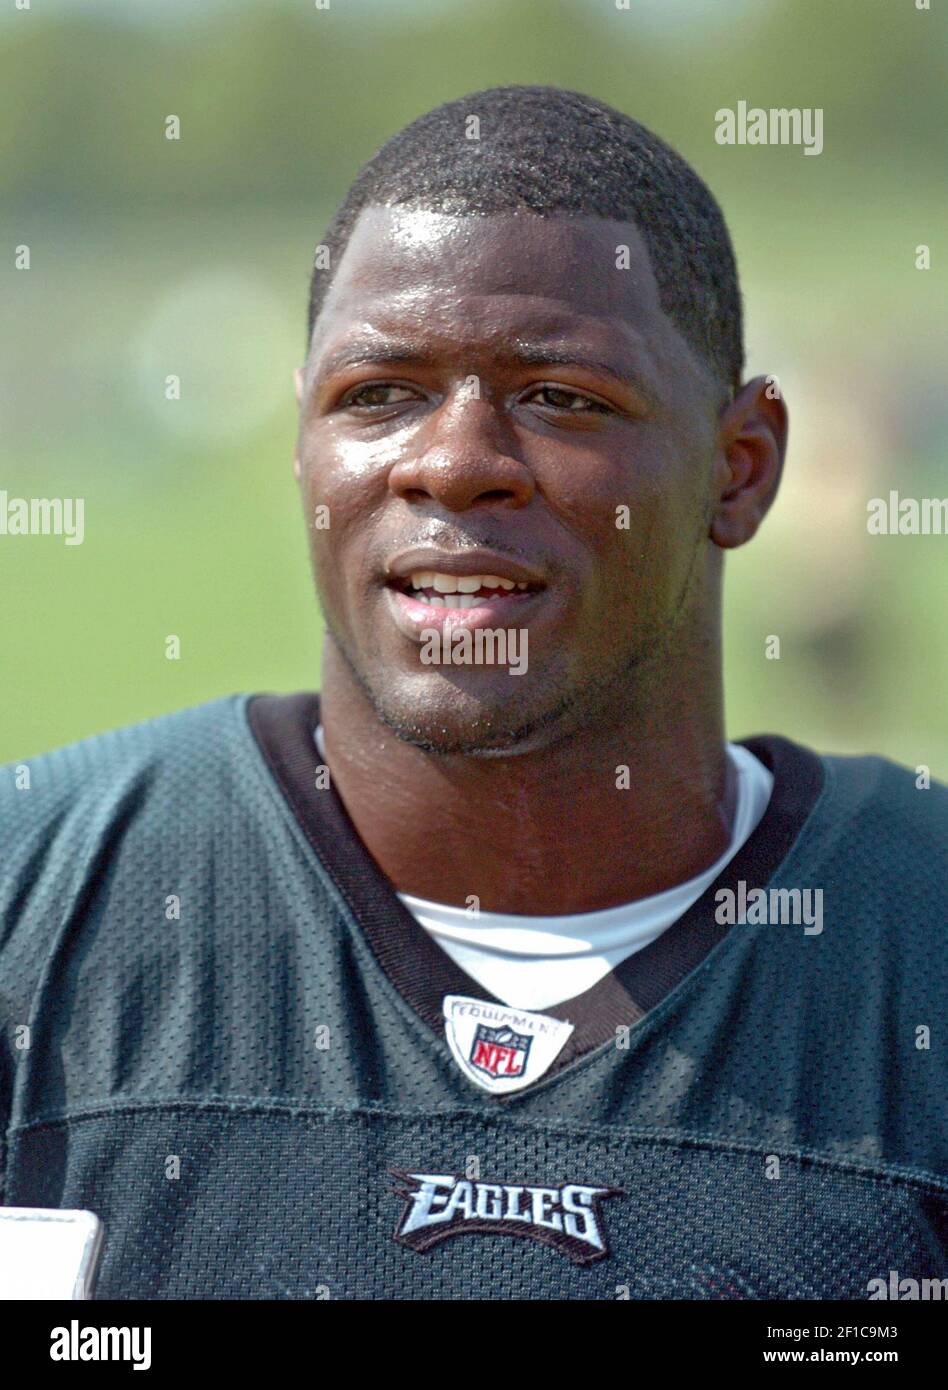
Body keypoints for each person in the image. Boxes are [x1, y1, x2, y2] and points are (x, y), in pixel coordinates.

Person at [2, 86, 945, 1300]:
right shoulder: (40, 906)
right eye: (378, 395)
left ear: (741, 466)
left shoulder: (910, 944)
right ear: (302, 445)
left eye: (561, 397)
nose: (452, 462)